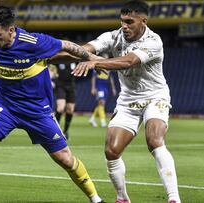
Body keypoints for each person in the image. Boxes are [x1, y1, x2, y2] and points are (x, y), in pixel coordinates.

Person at [0, 6, 104, 203]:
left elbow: (66, 46)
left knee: (65, 159)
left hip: (36, 110)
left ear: (11, 30)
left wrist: (94, 60)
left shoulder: (34, 42)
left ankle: (95, 199)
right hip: (6, 106)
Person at [69, 1, 181, 202]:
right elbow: (86, 48)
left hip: (155, 96)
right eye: (122, 21)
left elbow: (128, 61)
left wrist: (95, 62)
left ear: (143, 21)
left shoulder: (154, 41)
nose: (124, 26)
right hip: (128, 100)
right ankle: (122, 198)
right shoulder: (113, 36)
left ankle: (174, 198)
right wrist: (69, 51)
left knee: (154, 140)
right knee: (112, 151)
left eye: (130, 22)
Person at [54, 62, 77, 139]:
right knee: (60, 108)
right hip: (61, 85)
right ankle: (55, 130)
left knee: (70, 110)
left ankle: (66, 131)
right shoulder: (60, 58)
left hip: (71, 86)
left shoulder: (75, 59)